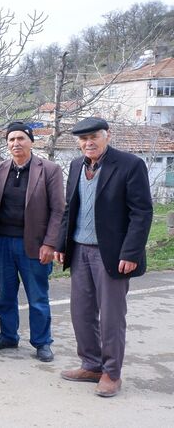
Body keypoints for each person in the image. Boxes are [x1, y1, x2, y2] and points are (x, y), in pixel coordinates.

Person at [55, 117, 153, 398]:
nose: (88, 143)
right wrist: (62, 243)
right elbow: (68, 209)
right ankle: (91, 365)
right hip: (79, 250)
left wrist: (131, 252)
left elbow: (142, 212)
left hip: (112, 254)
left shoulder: (130, 165)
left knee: (111, 316)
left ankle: (112, 373)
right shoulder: (76, 165)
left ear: (107, 136)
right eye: (83, 139)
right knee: (81, 313)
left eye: (94, 137)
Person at [0, 122, 64, 362]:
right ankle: (8, 335)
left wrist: (50, 244)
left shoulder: (49, 169)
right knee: (5, 294)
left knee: (37, 297)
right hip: (1, 243)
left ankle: (42, 342)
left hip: (34, 244)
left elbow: (59, 210)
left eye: (20, 138)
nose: (16, 143)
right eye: (11, 139)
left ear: (31, 141)